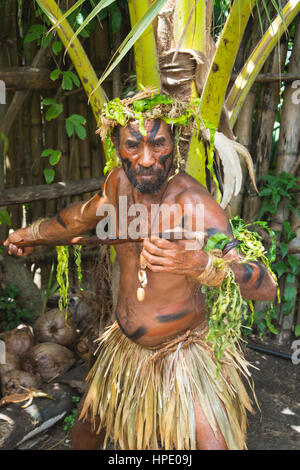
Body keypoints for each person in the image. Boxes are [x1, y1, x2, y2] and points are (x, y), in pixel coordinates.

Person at [4, 90, 277, 450]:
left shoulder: (193, 204)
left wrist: (203, 265)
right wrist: (32, 234)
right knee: (87, 429)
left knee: (213, 445)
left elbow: (266, 285)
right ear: (117, 145)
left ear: (174, 145)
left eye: (158, 145)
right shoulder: (118, 184)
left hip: (184, 354)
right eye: (133, 145)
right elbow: (77, 219)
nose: (146, 159)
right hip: (127, 351)